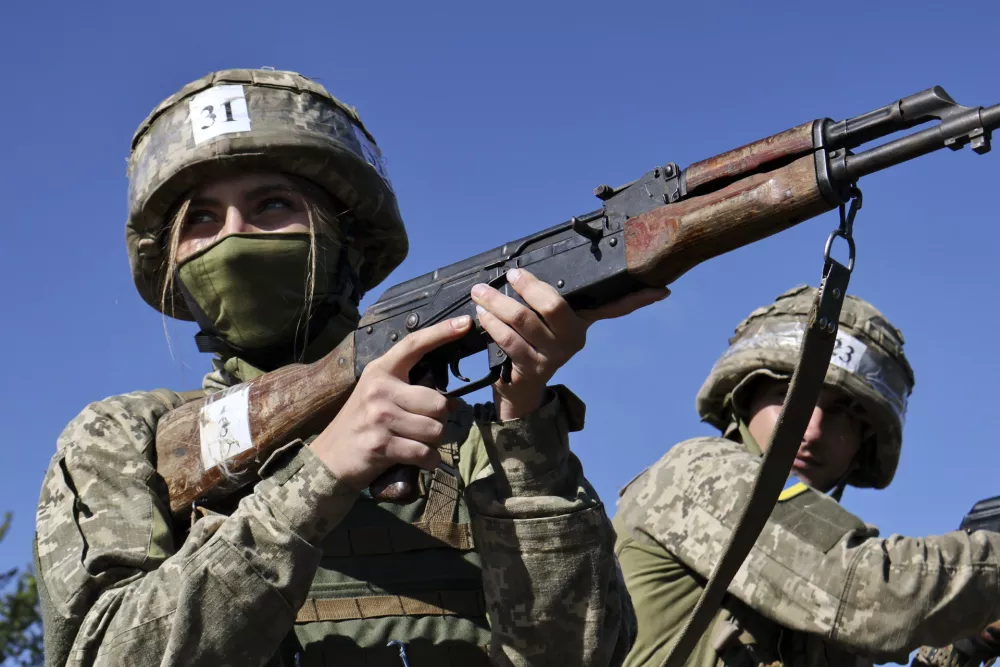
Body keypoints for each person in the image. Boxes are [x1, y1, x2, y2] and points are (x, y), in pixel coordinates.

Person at [35, 68, 660, 667]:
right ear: (172, 262)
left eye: (272, 204)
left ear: (346, 240)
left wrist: (523, 427)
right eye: (201, 218)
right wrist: (320, 475)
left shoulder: (464, 440)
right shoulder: (126, 439)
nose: (234, 235)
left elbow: (583, 656)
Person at [614, 285, 1000, 667]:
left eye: (843, 413)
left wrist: (962, 649)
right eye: (790, 395)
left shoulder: (812, 570)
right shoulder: (698, 471)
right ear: (746, 399)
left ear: (862, 446)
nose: (812, 430)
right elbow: (872, 593)